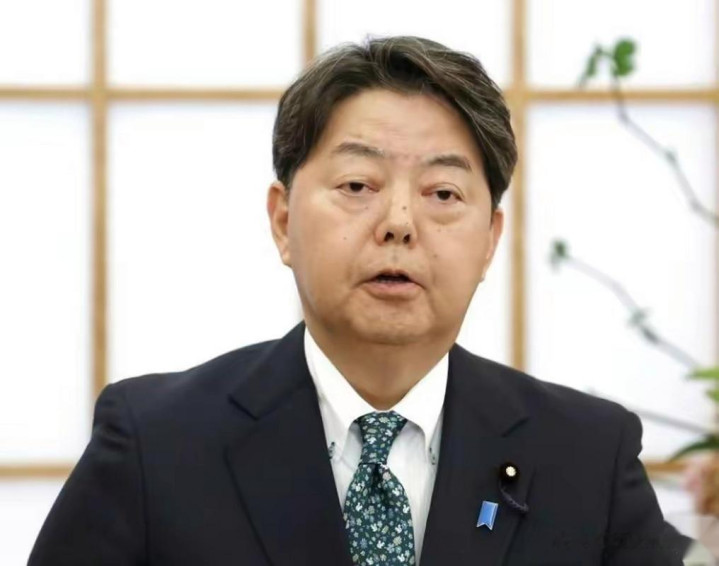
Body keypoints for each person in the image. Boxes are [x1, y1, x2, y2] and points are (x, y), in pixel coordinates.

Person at [29, 36, 693, 566]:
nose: (398, 222)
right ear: (283, 221)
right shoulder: (155, 444)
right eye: (357, 185)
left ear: (490, 240)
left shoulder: (586, 455)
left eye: (442, 194)